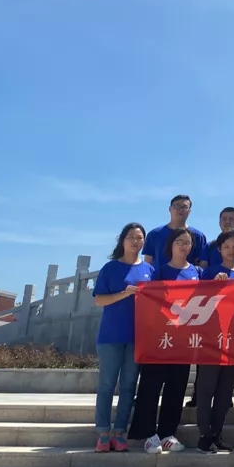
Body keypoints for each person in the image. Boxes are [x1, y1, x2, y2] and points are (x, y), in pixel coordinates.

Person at [128, 228, 201, 453]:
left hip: (183, 340)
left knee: (176, 388)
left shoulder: (197, 272)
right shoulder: (158, 272)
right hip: (158, 338)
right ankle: (148, 434)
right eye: (179, 241)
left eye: (187, 242)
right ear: (171, 245)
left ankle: (168, 433)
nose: (184, 246)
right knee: (150, 386)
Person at [91, 223, 155, 452]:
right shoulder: (110, 268)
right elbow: (99, 300)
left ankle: (119, 433)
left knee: (128, 386)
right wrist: (124, 294)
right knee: (107, 385)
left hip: (138, 337)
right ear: (122, 240)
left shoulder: (149, 270)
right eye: (131, 237)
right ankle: (103, 433)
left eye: (139, 237)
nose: (135, 241)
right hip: (111, 335)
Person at [194, 231, 234, 454]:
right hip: (211, 339)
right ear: (219, 249)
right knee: (206, 389)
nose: (231, 250)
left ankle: (217, 434)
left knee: (225, 391)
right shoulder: (209, 272)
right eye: (226, 246)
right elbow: (197, 303)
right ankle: (204, 435)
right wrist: (212, 286)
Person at [143, 194, 207, 267]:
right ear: (170, 209)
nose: (181, 209)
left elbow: (201, 264)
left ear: (189, 211)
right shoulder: (154, 234)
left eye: (185, 207)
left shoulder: (198, 236)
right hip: (159, 274)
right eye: (177, 206)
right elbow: (147, 263)